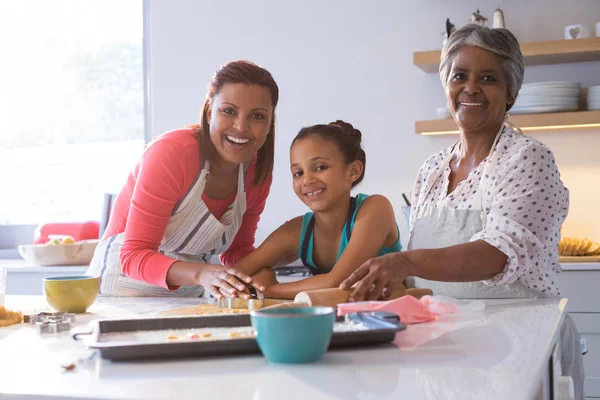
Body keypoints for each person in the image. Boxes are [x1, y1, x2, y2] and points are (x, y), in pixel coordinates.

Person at [340, 24, 585, 399]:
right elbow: (426, 280)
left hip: (522, 351)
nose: (470, 88)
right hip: (444, 352)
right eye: (460, 76)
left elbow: (496, 254)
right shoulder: (432, 170)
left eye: (488, 78)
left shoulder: (526, 158)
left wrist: (406, 262)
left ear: (511, 94)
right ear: (446, 86)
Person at [87, 60, 278, 299]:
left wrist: (262, 276)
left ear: (269, 123)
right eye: (228, 111)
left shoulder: (258, 172)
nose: (241, 126)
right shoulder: (170, 154)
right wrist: (202, 274)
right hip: (122, 290)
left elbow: (237, 251)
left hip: (188, 295)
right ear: (210, 112)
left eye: (257, 116)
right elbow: (133, 255)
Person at [230, 120, 402, 299]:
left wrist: (268, 289)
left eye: (320, 167)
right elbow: (234, 275)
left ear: (353, 171)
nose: (307, 180)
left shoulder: (376, 209)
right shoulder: (296, 231)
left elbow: (337, 282)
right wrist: (258, 277)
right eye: (298, 173)